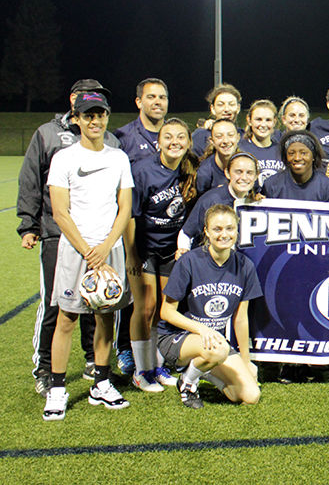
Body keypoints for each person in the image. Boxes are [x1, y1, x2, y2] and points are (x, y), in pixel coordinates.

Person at [19, 79, 118, 396]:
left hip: (99, 238)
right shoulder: (48, 134)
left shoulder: (111, 141)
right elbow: (31, 178)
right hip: (56, 233)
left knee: (98, 300)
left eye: (100, 103)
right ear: (74, 102)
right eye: (88, 103)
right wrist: (29, 224)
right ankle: (45, 368)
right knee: (56, 305)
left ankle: (93, 360)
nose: (94, 113)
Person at [43, 91, 134, 421]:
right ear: (77, 119)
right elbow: (59, 211)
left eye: (101, 115)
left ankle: (101, 381)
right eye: (88, 115)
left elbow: (124, 208)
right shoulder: (64, 159)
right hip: (76, 250)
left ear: (107, 117)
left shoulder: (118, 158)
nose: (95, 121)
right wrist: (87, 251)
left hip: (109, 250)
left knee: (106, 317)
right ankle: (56, 388)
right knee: (66, 318)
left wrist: (107, 246)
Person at [159, 204, 262, 408]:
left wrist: (246, 360)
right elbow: (166, 312)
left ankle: (203, 371)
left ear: (237, 230)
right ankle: (188, 383)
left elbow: (241, 319)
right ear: (206, 231)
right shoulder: (189, 261)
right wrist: (202, 329)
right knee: (218, 349)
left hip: (214, 343)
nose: (224, 234)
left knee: (250, 395)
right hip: (176, 338)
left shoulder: (245, 266)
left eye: (230, 228)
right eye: (217, 229)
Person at [124, 117, 199, 392]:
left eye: (181, 137)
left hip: (170, 250)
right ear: (158, 142)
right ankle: (141, 371)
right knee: (144, 307)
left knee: (162, 311)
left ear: (188, 142)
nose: (174, 142)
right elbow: (130, 217)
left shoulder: (190, 170)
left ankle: (156, 365)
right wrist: (132, 255)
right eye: (168, 137)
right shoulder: (143, 171)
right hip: (145, 249)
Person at [179, 153, 261, 257]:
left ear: (256, 176)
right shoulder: (211, 199)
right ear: (227, 173)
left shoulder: (257, 202)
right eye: (238, 172)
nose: (244, 177)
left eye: (249, 173)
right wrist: (184, 255)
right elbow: (186, 233)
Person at [261, 130, 329, 202]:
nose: (297, 158)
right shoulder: (271, 185)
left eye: (303, 153)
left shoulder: (328, 187)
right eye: (291, 153)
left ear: (313, 156)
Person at [114, 78, 169, 164]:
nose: (158, 102)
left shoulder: (178, 135)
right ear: (139, 102)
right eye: (151, 97)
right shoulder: (124, 137)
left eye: (162, 97)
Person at [238, 100, 284, 184]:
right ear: (249, 120)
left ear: (274, 122)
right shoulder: (240, 149)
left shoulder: (282, 150)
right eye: (258, 119)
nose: (263, 124)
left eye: (268, 120)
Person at [191, 83, 242, 157]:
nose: (226, 109)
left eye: (231, 104)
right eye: (221, 104)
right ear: (213, 109)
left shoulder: (244, 136)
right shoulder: (200, 136)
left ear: (238, 108)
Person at [195, 119, 241, 195]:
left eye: (230, 135)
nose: (225, 141)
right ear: (212, 141)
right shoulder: (204, 173)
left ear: (238, 138)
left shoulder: (246, 164)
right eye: (219, 136)